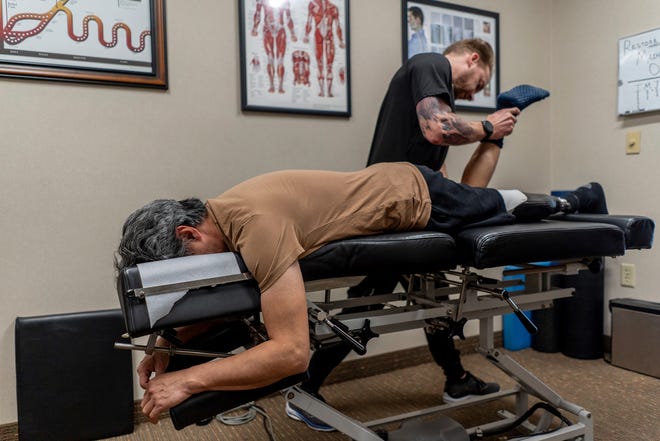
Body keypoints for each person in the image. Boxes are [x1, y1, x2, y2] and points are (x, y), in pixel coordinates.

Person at [115, 162, 606, 425]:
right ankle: (564, 199)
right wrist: (166, 347)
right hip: (386, 188)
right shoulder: (224, 216)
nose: (196, 281)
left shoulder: (257, 228)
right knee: (496, 204)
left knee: (499, 204)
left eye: (185, 271)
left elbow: (290, 352)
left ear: (187, 234)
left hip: (416, 194)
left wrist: (188, 379)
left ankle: (577, 198)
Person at [285, 38, 550, 431]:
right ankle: (304, 390)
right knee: (368, 303)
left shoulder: (434, 113)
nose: (476, 90)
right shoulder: (430, 64)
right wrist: (490, 125)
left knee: (434, 295)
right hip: (393, 206)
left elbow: (456, 180)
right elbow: (439, 128)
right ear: (473, 58)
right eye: (481, 80)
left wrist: (491, 137)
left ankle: (457, 380)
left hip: (410, 208)